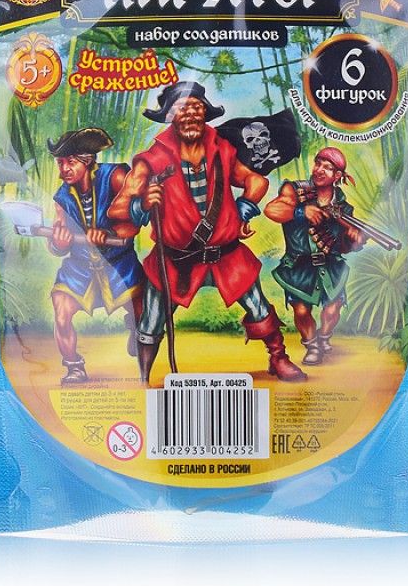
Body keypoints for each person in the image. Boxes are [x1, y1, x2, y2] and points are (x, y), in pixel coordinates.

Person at [108, 81, 307, 385]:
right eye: (181, 108)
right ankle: (143, 376)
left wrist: (241, 212)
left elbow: (256, 182)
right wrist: (143, 204)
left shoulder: (222, 150)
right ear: (170, 116)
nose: (190, 114)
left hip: (225, 254)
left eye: (196, 107)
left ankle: (278, 357)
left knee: (258, 306)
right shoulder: (153, 159)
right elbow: (120, 209)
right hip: (175, 260)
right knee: (151, 320)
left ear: (205, 113)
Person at [45, 128, 144, 385]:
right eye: (60, 163)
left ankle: (136, 329)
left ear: (87, 160)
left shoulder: (116, 176)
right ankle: (74, 366)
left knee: (143, 311)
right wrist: (58, 243)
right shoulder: (62, 197)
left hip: (119, 266)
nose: (64, 169)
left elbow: (137, 216)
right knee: (61, 311)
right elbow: (57, 240)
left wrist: (111, 233)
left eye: (70, 162)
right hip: (79, 269)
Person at [264, 147, 366, 365]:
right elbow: (272, 210)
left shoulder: (343, 207)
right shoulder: (296, 190)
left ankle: (324, 337)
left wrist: (353, 240)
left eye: (327, 168)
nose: (319, 170)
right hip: (298, 265)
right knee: (301, 311)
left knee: (333, 309)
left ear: (337, 176)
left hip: (330, 265)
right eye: (318, 164)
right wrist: (301, 212)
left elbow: (342, 247)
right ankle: (312, 345)